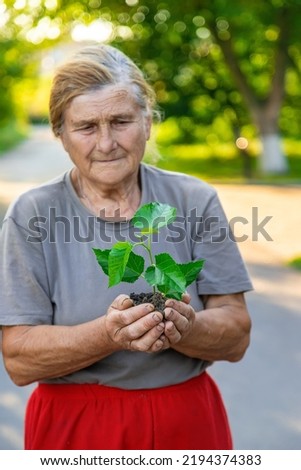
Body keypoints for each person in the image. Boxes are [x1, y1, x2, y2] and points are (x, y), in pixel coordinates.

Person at [0, 44, 252, 450]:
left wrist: (185, 327)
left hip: (185, 421)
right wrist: (110, 333)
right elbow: (18, 359)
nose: (106, 143)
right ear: (60, 134)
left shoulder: (193, 199)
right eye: (86, 127)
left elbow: (236, 334)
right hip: (76, 427)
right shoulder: (34, 213)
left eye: (121, 121)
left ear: (147, 122)